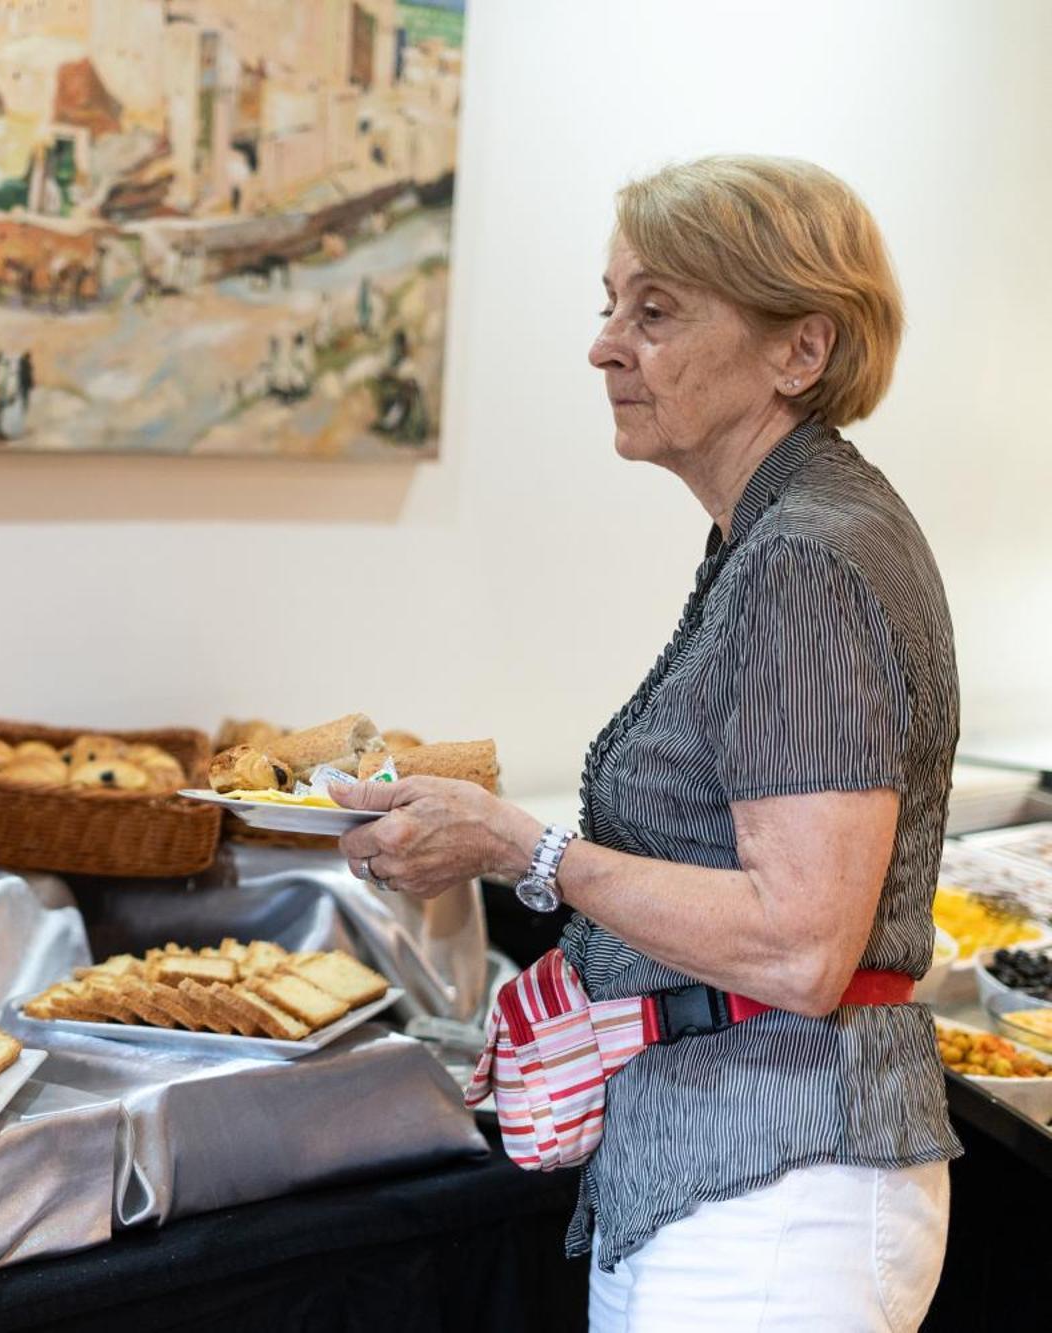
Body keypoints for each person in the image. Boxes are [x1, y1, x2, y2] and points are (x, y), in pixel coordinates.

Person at [331, 156, 955, 1330]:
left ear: (798, 349)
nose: (605, 344)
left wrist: (523, 847)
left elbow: (796, 946)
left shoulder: (805, 560)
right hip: (743, 1172)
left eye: (655, 310)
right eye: (608, 302)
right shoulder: (771, 533)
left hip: (778, 1197)